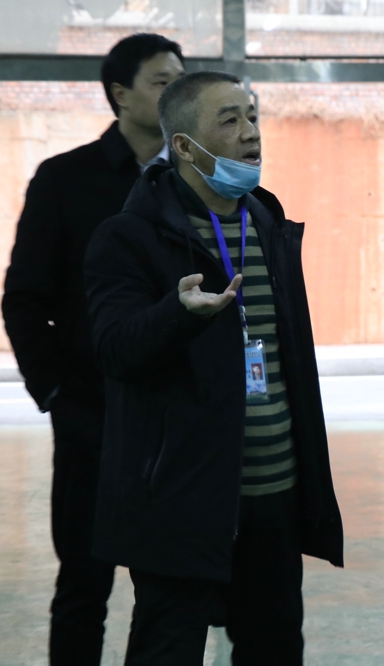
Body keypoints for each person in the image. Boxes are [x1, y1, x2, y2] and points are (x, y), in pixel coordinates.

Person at [83, 70, 344, 665]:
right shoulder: (129, 238)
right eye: (229, 120)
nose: (251, 132)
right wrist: (176, 314)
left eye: (252, 116)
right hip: (182, 503)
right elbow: (114, 349)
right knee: (168, 650)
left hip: (274, 497)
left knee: (274, 650)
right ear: (184, 145)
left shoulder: (268, 224)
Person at [2, 33, 185, 666]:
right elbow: (23, 299)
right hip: (92, 416)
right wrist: (56, 393)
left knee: (171, 587)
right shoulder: (65, 179)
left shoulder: (196, 181)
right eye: (162, 82)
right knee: (84, 583)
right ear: (120, 94)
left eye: (181, 81)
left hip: (178, 419)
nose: (175, 93)